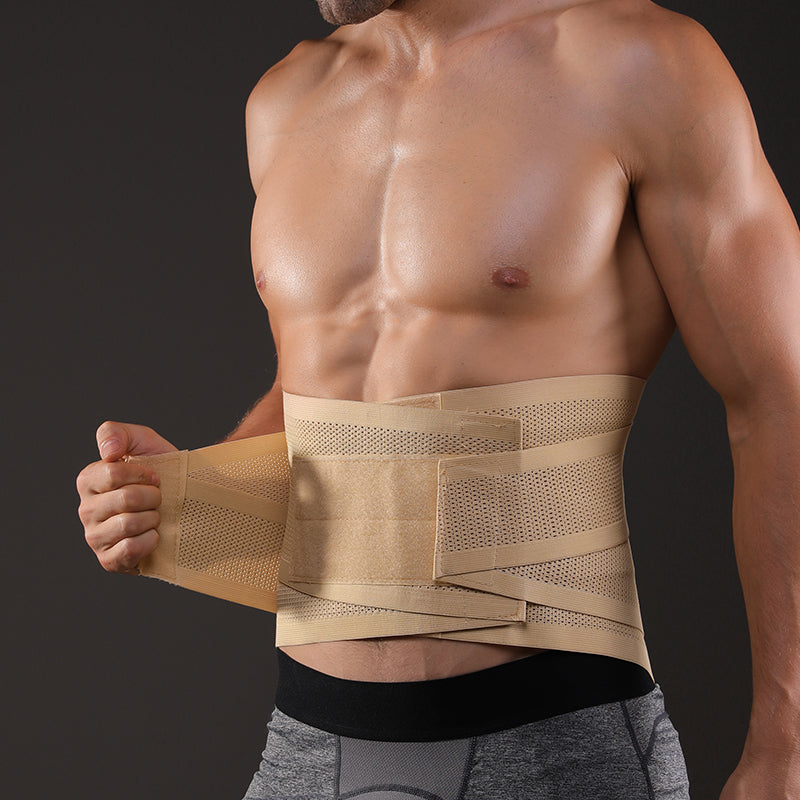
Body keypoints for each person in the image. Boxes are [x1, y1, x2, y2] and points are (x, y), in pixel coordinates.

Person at [76, 0, 800, 797]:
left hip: (556, 746)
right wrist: (187, 498)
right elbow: (323, 412)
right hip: (308, 750)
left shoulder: (638, 64)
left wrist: (786, 745)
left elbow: (779, 396)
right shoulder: (287, 99)